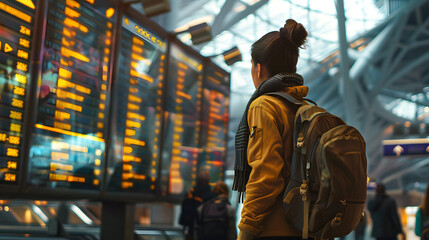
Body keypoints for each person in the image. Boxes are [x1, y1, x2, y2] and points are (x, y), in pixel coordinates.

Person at [233, 19, 309, 239]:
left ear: (258, 68)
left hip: (274, 229)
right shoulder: (304, 106)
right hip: (304, 228)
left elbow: (265, 176)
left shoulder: (264, 105)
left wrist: (246, 230)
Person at [179, 171, 212, 240]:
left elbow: (184, 214)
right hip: (207, 229)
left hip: (192, 228)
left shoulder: (191, 193)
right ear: (208, 181)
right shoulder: (212, 195)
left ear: (197, 180)